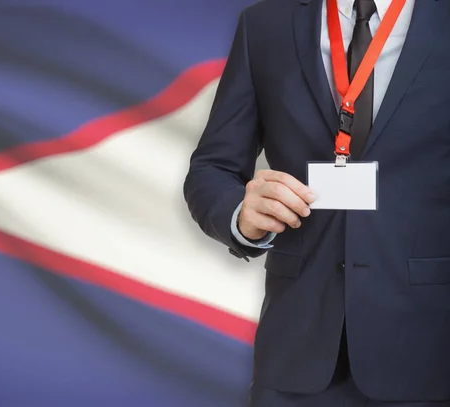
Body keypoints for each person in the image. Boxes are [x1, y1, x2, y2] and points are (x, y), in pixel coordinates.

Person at [183, 0, 450, 405]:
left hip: (429, 352)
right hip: (295, 355)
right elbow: (211, 168)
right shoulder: (265, 25)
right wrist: (240, 214)